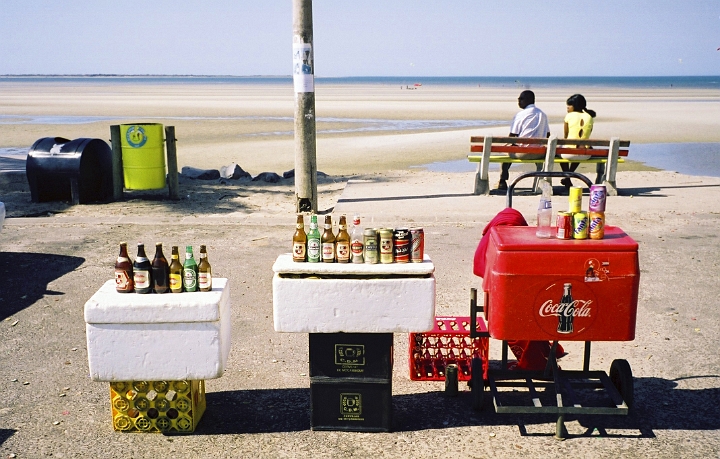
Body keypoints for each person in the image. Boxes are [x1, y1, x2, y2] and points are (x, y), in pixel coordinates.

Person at [497, 90, 550, 191]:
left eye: (521, 99)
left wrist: (508, 144)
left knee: (507, 149)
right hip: (540, 153)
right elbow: (548, 135)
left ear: (528, 100)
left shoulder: (520, 115)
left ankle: (502, 180)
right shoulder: (543, 114)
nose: (519, 101)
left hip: (523, 152)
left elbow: (513, 135)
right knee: (512, 147)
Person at [560, 94, 597, 188]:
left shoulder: (569, 116)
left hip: (569, 154)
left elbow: (566, 137)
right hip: (585, 154)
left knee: (560, 151)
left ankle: (567, 176)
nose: (567, 108)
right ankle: (569, 174)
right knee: (581, 147)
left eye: (569, 106)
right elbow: (588, 134)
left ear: (575, 106)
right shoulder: (589, 117)